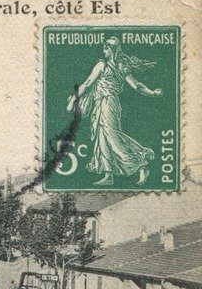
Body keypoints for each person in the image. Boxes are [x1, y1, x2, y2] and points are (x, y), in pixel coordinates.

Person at [67, 36, 163, 186]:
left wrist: (152, 93)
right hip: (100, 104)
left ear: (113, 50)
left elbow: (136, 85)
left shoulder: (112, 66)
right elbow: (87, 84)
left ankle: (140, 164)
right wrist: (74, 99)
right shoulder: (106, 65)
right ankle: (108, 174)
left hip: (110, 103)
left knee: (112, 136)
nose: (104, 50)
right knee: (102, 138)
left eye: (106, 48)